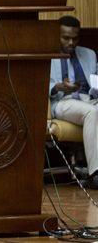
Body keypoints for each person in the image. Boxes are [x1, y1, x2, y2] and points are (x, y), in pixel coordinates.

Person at [49, 15, 98, 188]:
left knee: (92, 109)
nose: (71, 43)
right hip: (62, 101)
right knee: (92, 112)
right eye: (66, 38)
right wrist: (58, 87)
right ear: (57, 36)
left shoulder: (89, 54)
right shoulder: (47, 55)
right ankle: (95, 174)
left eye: (75, 38)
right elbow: (39, 85)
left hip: (88, 99)